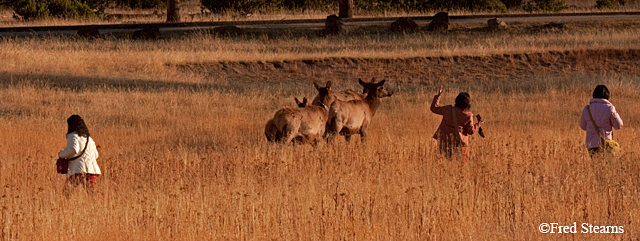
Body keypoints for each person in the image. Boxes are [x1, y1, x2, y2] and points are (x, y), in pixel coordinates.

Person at [430, 86, 483, 160]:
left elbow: (433, 108)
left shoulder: (448, 110)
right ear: (467, 104)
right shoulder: (468, 115)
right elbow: (470, 131)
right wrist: (478, 124)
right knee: (459, 166)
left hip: (444, 141)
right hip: (459, 144)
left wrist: (438, 96)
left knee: (443, 163)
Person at [58, 115, 101, 197]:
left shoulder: (73, 136)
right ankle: (101, 207)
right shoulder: (89, 138)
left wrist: (61, 154)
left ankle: (63, 208)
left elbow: (74, 150)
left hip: (77, 170)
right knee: (93, 193)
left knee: (66, 193)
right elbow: (96, 155)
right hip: (92, 170)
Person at [579, 85, 623, 158]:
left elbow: (583, 126)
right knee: (605, 166)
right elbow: (619, 125)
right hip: (605, 143)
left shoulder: (587, 109)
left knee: (595, 165)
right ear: (607, 95)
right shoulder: (609, 108)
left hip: (591, 144)